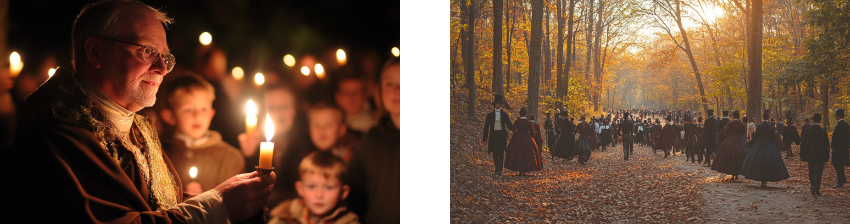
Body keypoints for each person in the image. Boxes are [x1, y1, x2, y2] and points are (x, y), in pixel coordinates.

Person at [2, 1, 276, 222]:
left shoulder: (138, 128)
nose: (162, 68)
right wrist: (218, 205)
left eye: (165, 56)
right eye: (147, 51)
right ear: (95, 51)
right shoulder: (57, 135)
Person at [159, 75, 245, 194]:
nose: (197, 116)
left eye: (203, 109)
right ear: (170, 116)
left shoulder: (230, 157)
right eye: (188, 110)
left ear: (211, 113)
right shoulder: (160, 154)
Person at [345, 57, 400, 224]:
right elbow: (351, 189)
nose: (397, 90)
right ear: (380, 90)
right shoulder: (373, 138)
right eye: (389, 84)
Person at [269, 151, 359, 224]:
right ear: (300, 189)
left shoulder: (348, 221)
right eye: (312, 187)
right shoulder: (286, 216)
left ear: (343, 192)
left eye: (329, 188)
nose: (319, 195)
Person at [739, 110, 789, 188]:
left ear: (763, 118)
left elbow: (755, 137)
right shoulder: (771, 127)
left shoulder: (759, 126)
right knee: (770, 161)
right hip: (769, 145)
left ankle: (762, 181)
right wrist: (770, 143)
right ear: (768, 118)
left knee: (758, 160)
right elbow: (773, 138)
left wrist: (749, 143)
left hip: (759, 144)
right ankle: (765, 180)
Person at [504, 107, 543, 175]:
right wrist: (531, 137)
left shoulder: (517, 121)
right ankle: (525, 170)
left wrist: (517, 135)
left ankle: (519, 170)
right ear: (525, 114)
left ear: (520, 114)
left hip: (518, 137)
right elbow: (532, 133)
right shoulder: (528, 122)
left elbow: (514, 130)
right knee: (526, 153)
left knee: (518, 153)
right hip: (527, 137)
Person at [799, 113, 830, 197]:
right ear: (820, 120)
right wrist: (827, 156)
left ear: (813, 120)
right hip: (821, 155)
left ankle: (813, 185)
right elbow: (827, 145)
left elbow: (803, 143)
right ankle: (817, 189)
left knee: (811, 171)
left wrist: (803, 153)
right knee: (819, 172)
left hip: (811, 154)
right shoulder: (823, 131)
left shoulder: (808, 130)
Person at [712, 110, 749, 181]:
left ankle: (732, 174)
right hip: (740, 140)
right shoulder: (741, 124)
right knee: (741, 156)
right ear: (738, 116)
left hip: (731, 139)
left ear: (733, 116)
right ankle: (737, 174)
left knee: (730, 156)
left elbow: (727, 133)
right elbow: (743, 133)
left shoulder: (730, 123)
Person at [482, 95, 511, 175]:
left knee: (501, 152)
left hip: (501, 135)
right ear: (494, 105)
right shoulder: (490, 115)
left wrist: (517, 129)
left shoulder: (504, 114)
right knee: (495, 152)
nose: (497, 105)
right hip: (493, 135)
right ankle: (496, 168)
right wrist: (485, 139)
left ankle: (500, 170)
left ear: (501, 105)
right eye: (496, 104)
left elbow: (509, 125)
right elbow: (486, 127)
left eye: (499, 104)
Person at [831, 109, 849, 188]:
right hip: (841, 148)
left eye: (836, 115)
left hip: (839, 149)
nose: (835, 116)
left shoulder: (841, 125)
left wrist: (837, 147)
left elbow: (841, 138)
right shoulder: (844, 124)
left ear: (838, 116)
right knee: (839, 164)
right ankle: (843, 179)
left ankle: (840, 182)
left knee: (838, 165)